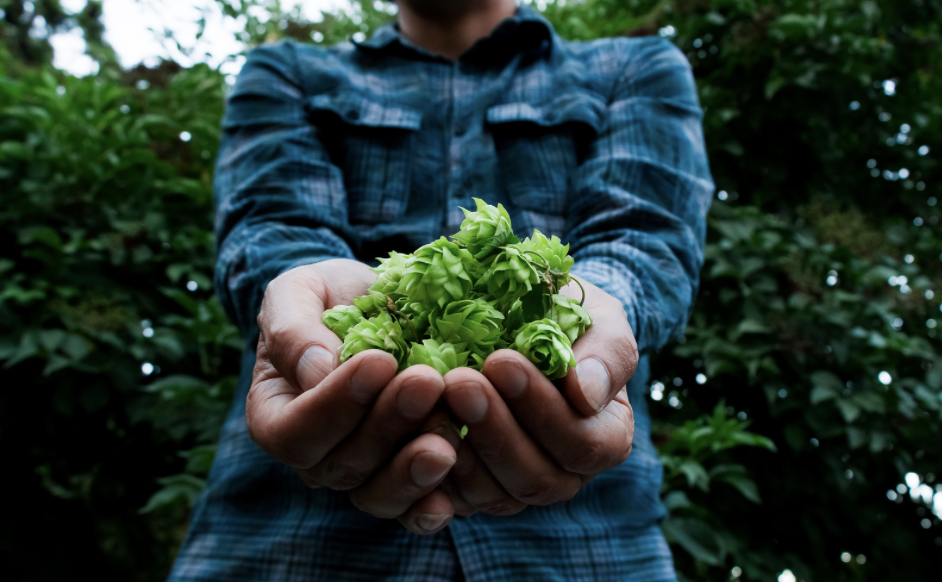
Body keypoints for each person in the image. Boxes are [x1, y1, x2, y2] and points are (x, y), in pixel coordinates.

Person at [168, 0, 713, 580]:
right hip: (291, 540)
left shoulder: (634, 67)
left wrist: (594, 311)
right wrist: (307, 303)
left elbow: (644, 239)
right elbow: (273, 230)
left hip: (589, 545)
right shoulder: (287, 72)